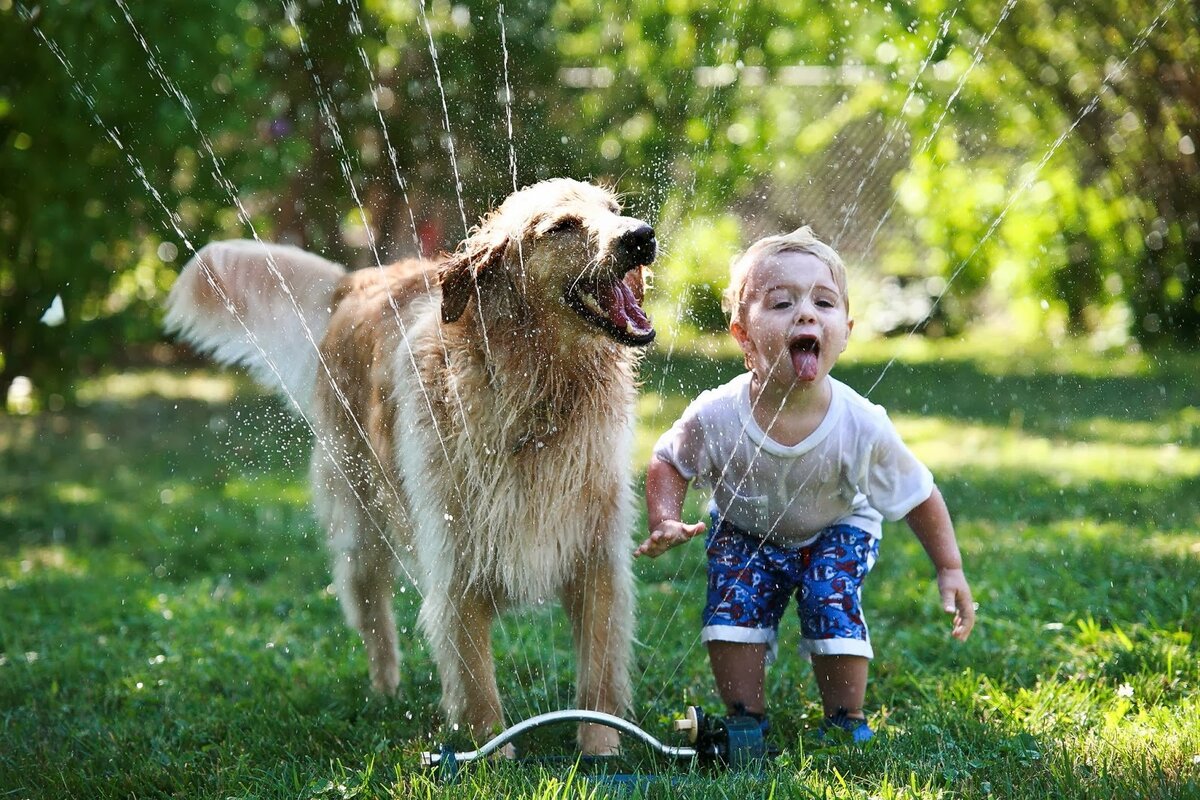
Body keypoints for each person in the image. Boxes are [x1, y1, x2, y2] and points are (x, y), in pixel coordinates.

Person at [635, 227, 975, 743]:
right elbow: (669, 460)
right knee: (732, 608)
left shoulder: (862, 423)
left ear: (845, 329)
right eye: (781, 302)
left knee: (828, 596)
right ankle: (746, 718)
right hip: (745, 527)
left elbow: (918, 493)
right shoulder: (718, 413)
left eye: (824, 301)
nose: (806, 313)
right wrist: (664, 518)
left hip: (837, 526)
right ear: (743, 335)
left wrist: (949, 567)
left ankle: (845, 720)